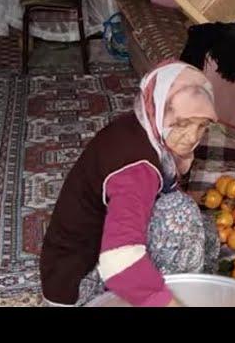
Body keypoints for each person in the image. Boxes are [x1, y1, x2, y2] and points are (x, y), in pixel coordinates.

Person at [40, 60, 220, 307]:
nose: (192, 137)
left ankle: (182, 287)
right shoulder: (138, 169)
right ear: (158, 108)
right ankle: (172, 294)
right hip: (77, 285)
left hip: (74, 260)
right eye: (181, 123)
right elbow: (119, 261)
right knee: (180, 214)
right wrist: (166, 303)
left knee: (205, 228)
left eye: (202, 126)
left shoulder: (140, 125)